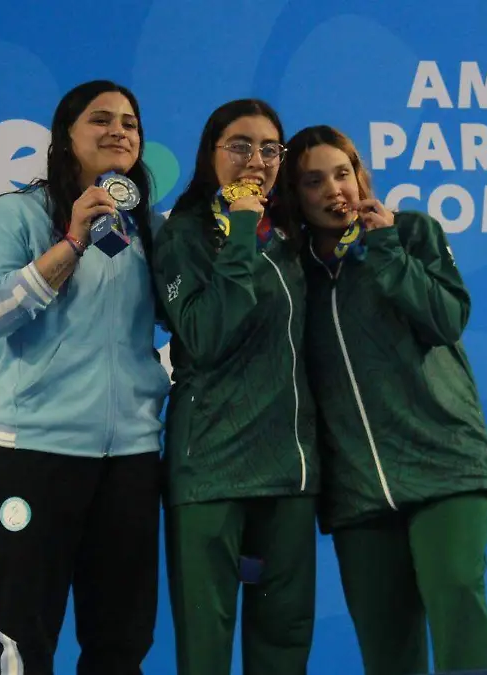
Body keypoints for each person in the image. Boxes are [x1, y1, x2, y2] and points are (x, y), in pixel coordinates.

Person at [276, 124, 487, 675]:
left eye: (343, 172)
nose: (336, 190)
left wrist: (384, 251)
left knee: (456, 601)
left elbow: (446, 320)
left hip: (444, 462)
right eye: (314, 181)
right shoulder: (292, 272)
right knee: (386, 648)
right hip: (357, 486)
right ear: (295, 195)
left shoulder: (409, 234)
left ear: (361, 175)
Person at [0, 80, 170, 675]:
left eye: (130, 123)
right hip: (33, 452)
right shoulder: (15, 213)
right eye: (100, 120)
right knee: (22, 641)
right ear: (66, 138)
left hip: (129, 457)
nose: (119, 132)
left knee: (122, 643)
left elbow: (181, 321)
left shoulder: (147, 230)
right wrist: (73, 241)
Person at [151, 99, 319, 675]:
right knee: (206, 646)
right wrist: (241, 224)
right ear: (210, 154)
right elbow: (206, 333)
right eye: (241, 146)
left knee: (284, 642)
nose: (257, 160)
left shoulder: (295, 238)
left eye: (271, 149)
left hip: (288, 469)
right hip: (210, 470)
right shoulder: (184, 234)